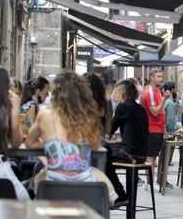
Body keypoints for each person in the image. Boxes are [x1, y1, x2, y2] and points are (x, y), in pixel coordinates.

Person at [25, 71, 117, 203]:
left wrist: (53, 146)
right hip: (84, 185)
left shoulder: (45, 113)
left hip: (53, 184)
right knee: (101, 177)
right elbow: (94, 145)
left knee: (37, 179)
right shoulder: (87, 115)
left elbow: (29, 142)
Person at [106, 79, 149, 206]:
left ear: (123, 94)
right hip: (142, 154)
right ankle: (123, 196)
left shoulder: (123, 107)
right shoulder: (140, 108)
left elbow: (110, 130)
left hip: (130, 155)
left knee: (104, 159)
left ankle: (121, 194)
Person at [0, 67, 30, 200]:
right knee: (25, 201)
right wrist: (15, 108)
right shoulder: (4, 112)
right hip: (1, 171)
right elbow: (16, 141)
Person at [141, 68, 171, 191]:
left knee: (153, 157)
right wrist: (164, 98)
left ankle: (151, 182)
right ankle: (150, 183)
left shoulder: (157, 91)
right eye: (158, 76)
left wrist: (164, 129)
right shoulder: (150, 93)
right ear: (151, 78)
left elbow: (161, 112)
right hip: (152, 129)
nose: (160, 79)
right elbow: (154, 112)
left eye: (161, 76)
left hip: (158, 129)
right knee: (150, 157)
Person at [84, 73, 112, 139]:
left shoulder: (81, 103)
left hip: (83, 141)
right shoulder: (105, 103)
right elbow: (108, 129)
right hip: (99, 141)